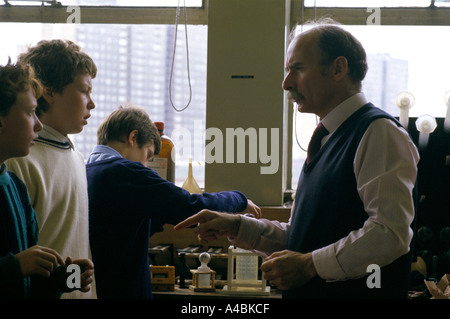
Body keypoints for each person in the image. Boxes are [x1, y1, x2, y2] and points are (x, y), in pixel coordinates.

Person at [175, 19, 420, 299]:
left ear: (339, 68)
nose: (285, 83)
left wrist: (309, 265)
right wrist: (236, 225)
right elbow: (305, 235)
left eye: (297, 69)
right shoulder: (327, 139)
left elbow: (390, 234)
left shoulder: (379, 133)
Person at [86, 105, 261, 299]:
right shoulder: (126, 172)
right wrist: (239, 199)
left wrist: (201, 225)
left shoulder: (87, 170)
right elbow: (190, 205)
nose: (146, 165)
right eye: (148, 155)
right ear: (133, 138)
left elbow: (129, 222)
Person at [6, 40, 97, 298]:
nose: (91, 104)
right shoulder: (19, 160)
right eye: (84, 91)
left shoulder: (75, 154)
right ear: (50, 92)